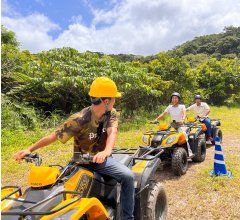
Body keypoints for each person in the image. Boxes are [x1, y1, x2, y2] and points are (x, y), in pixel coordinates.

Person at [14, 77, 135, 220]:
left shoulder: (111, 113)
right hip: (80, 161)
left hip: (101, 160)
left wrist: (107, 151)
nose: (115, 101)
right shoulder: (79, 119)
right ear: (106, 100)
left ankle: (128, 218)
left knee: (128, 177)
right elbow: (54, 136)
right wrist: (30, 149)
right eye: (114, 98)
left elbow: (112, 131)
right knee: (58, 189)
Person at [154, 92, 194, 157]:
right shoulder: (169, 107)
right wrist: (156, 119)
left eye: (176, 98)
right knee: (164, 135)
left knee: (184, 136)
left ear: (178, 99)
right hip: (172, 125)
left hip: (180, 125)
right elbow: (163, 114)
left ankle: (189, 153)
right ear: (171, 99)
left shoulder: (182, 106)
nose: (174, 99)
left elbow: (184, 113)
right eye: (173, 98)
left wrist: (183, 120)